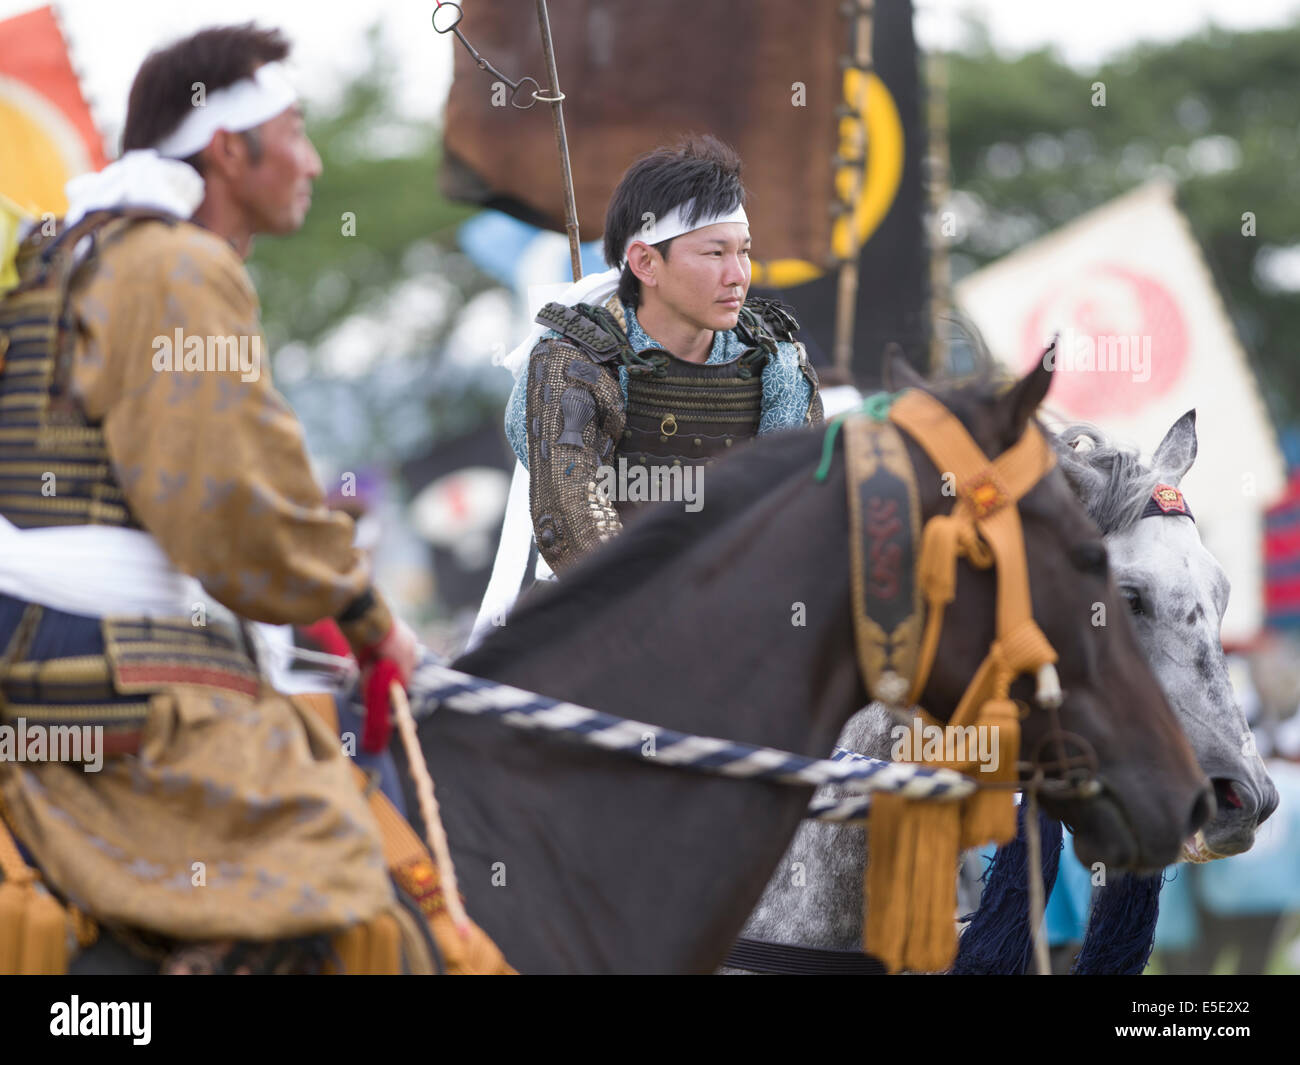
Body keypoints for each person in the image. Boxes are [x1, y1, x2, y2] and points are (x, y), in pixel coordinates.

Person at [0, 24, 420, 973]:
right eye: (297, 130)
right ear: (232, 147)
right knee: (330, 852)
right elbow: (236, 515)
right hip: (88, 654)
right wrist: (365, 614)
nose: (312, 160)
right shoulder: (176, 265)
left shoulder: (81, 249)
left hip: (41, 630)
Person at [470, 136, 822, 643]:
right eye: (714, 252)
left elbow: (790, 513)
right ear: (645, 263)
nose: (738, 275)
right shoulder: (577, 361)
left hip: (744, 614)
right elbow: (569, 517)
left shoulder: (776, 362)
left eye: (743, 252)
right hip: (606, 615)